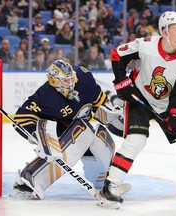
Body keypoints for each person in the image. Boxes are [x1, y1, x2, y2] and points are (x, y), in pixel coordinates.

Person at [97, 11, 176, 209]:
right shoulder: (145, 45)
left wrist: (175, 112)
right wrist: (121, 81)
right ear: (164, 31)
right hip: (139, 99)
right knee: (136, 141)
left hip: (166, 105)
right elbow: (117, 54)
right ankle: (110, 185)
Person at [9, 59, 121, 199]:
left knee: (101, 139)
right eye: (65, 81)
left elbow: (98, 98)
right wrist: (39, 136)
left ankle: (105, 182)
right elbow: (21, 117)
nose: (71, 84)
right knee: (80, 131)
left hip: (84, 129)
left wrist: (111, 112)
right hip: (62, 133)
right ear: (54, 81)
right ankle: (27, 182)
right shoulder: (46, 96)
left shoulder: (84, 78)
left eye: (71, 79)